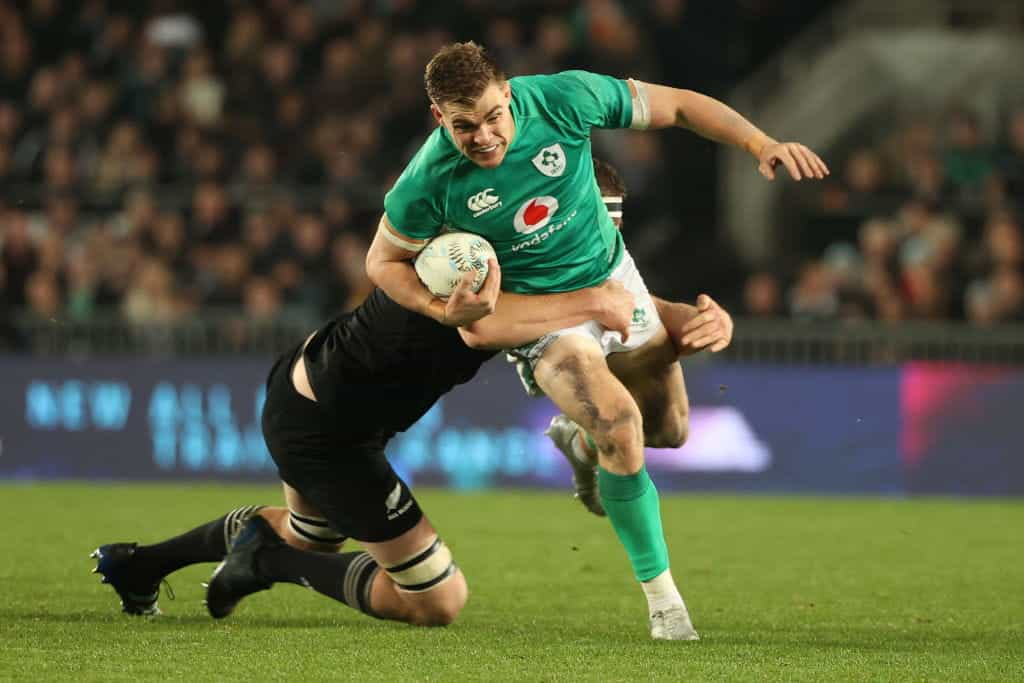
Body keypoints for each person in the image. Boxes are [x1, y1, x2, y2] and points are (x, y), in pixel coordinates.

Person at [91, 160, 734, 634]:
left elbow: (621, 310)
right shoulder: (477, 268)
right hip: (328, 428)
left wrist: (690, 318)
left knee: (313, 535)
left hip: (314, 388)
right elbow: (504, 320)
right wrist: (603, 305)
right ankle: (267, 563)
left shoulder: (525, 254)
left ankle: (140, 565)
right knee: (436, 601)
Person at [364, 42, 827, 639]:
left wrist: (761, 144)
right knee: (620, 425)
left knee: (670, 430)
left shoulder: (564, 98)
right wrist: (437, 307)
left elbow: (679, 106)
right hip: (541, 317)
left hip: (612, 279)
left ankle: (579, 445)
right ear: (438, 119)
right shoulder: (428, 180)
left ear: (509, 95)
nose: (482, 135)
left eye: (491, 116)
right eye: (463, 125)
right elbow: (382, 261)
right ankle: (665, 605)